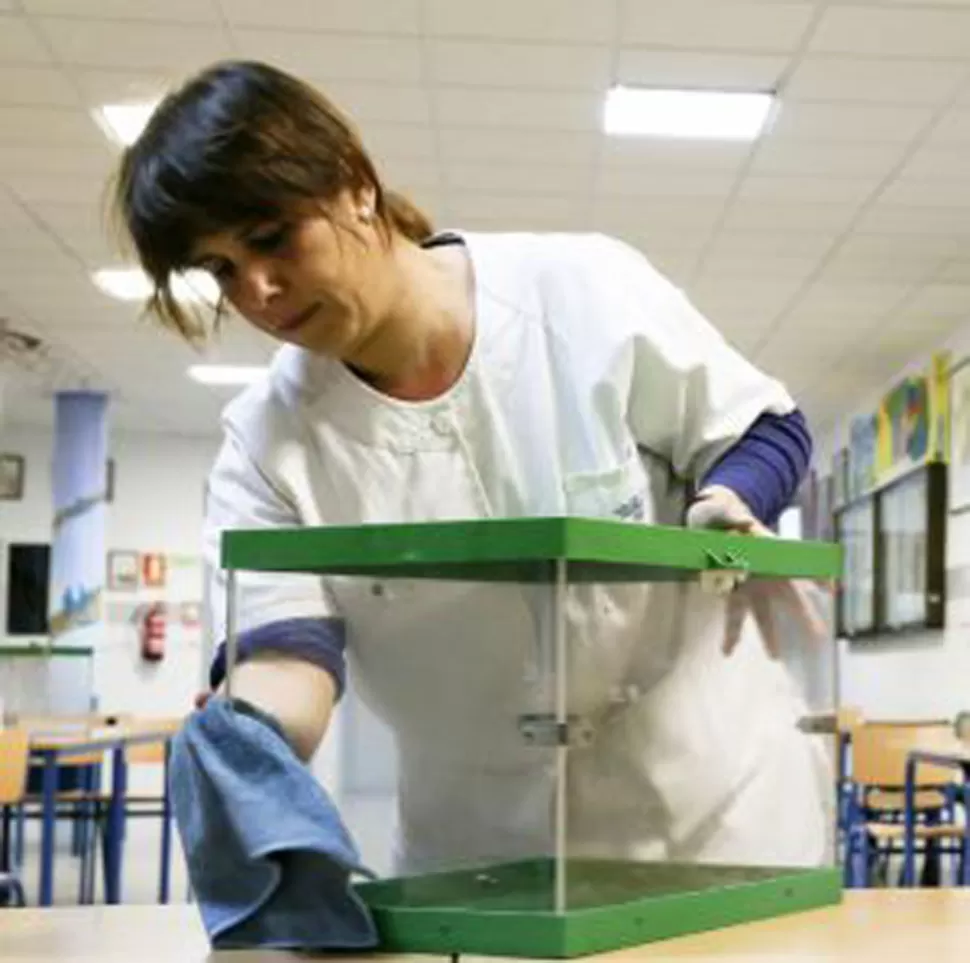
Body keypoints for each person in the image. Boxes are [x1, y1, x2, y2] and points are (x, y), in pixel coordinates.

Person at [112, 61, 830, 876]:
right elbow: (288, 652)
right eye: (220, 271)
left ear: (354, 183)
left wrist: (730, 503)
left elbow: (763, 425)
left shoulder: (580, 292)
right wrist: (249, 737)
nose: (261, 290)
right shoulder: (265, 444)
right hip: (484, 856)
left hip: (715, 823)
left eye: (272, 239)